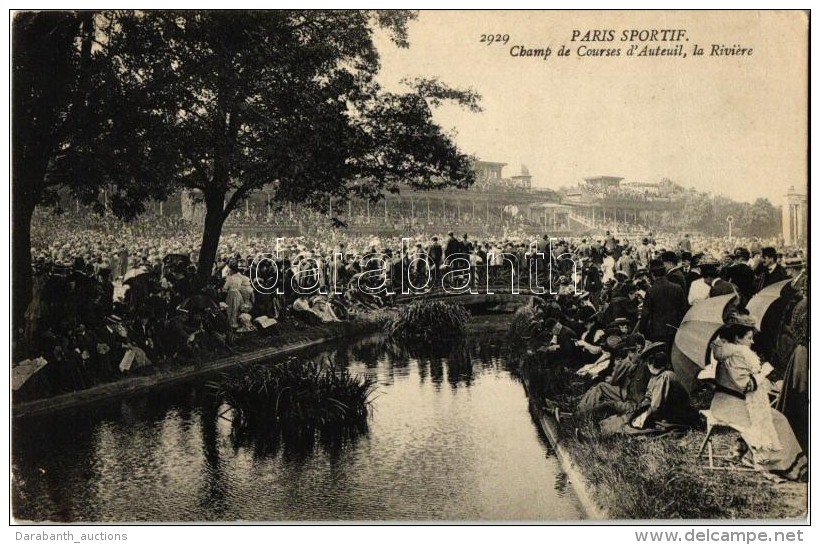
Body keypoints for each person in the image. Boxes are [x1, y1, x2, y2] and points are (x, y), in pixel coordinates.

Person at [709, 314, 808, 481]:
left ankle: (751, 454)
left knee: (776, 417)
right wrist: (764, 372)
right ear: (738, 339)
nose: (752, 342)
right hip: (731, 407)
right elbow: (747, 385)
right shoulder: (738, 355)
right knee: (778, 420)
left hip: (727, 402)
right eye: (749, 338)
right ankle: (783, 466)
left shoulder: (730, 353)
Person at [639, 260, 687, 345]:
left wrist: (641, 330)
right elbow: (683, 309)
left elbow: (645, 314)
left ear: (653, 275)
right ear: (665, 272)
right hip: (675, 329)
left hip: (657, 332)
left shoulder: (651, 291)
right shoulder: (677, 288)